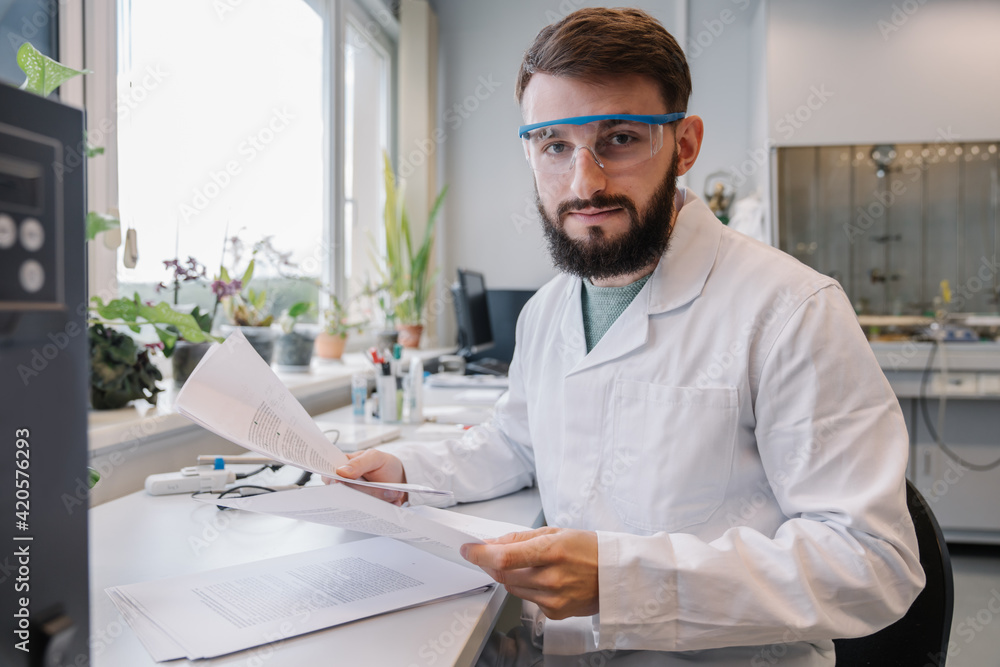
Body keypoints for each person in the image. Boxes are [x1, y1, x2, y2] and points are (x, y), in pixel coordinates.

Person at [336, 7, 924, 665]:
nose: (585, 181)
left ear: (686, 144)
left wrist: (621, 579)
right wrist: (408, 470)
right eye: (554, 144)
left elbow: (873, 562)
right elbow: (516, 440)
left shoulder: (790, 309)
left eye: (619, 138)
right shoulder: (549, 310)